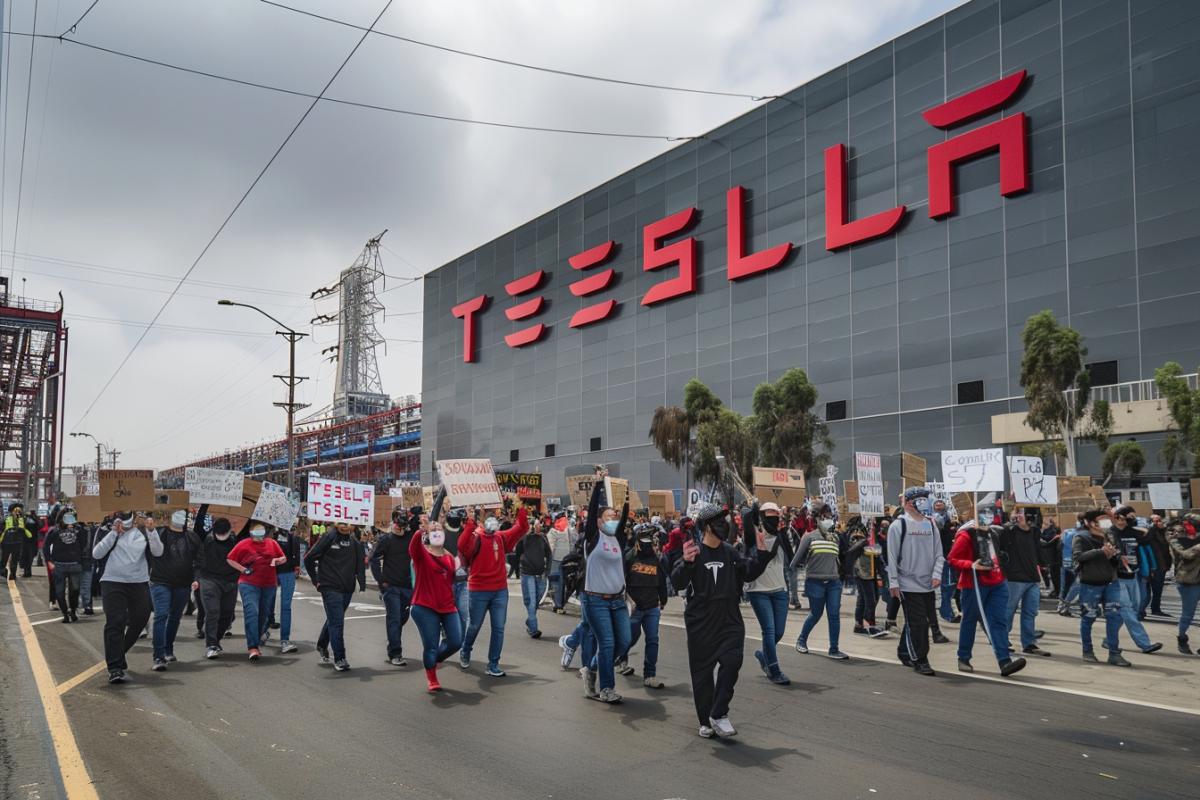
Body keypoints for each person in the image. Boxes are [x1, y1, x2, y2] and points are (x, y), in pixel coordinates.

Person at [672, 502, 771, 739]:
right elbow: (677, 583)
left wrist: (763, 554)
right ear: (706, 527)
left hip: (729, 618)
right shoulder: (693, 552)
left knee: (733, 660)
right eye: (717, 521)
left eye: (725, 520)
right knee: (703, 674)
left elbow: (748, 571)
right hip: (701, 621)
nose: (723, 525)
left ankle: (719, 713)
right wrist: (685, 563)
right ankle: (705, 720)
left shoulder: (730, 551)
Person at [949, 506, 1027, 677]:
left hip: (997, 582)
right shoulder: (966, 535)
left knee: (998, 621)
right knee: (969, 620)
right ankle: (963, 657)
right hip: (975, 583)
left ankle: (1004, 660)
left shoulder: (994, 533)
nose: (988, 517)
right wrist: (971, 565)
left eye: (991, 514)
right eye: (984, 514)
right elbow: (952, 559)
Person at [457, 505, 529, 677]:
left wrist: (521, 510)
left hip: (499, 591)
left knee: (499, 628)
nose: (492, 522)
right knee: (474, 625)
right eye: (488, 519)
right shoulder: (475, 537)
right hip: (478, 591)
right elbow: (461, 545)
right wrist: (470, 523)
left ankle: (493, 664)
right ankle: (465, 650)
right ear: (482, 522)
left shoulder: (501, 537)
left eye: (494, 519)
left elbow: (521, 528)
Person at [92, 511, 164, 683]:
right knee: (115, 621)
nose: (123, 522)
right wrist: (113, 533)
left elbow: (158, 552)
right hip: (112, 581)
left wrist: (152, 532)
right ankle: (115, 668)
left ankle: (118, 652)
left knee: (141, 618)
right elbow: (96, 553)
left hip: (138, 582)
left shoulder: (143, 530)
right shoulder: (107, 530)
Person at [886, 487, 944, 676]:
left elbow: (939, 555)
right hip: (907, 583)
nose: (926, 501)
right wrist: (893, 582)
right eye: (921, 498)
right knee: (919, 622)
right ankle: (921, 660)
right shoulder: (898, 526)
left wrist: (937, 574)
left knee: (917, 621)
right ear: (910, 502)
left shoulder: (931, 525)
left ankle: (904, 651)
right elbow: (892, 557)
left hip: (927, 584)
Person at [409, 488, 463, 691]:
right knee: (430, 645)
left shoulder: (449, 556)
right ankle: (431, 676)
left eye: (439, 531)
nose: (438, 534)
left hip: (448, 607)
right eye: (434, 532)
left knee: (456, 641)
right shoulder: (422, 554)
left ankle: (433, 660)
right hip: (424, 607)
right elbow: (413, 548)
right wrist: (421, 530)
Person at [304, 521, 367, 672]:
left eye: (348, 522)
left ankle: (321, 644)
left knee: (334, 619)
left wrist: (362, 584)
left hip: (347, 588)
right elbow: (308, 558)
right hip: (329, 587)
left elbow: (360, 566)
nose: (345, 525)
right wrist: (316, 580)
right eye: (341, 522)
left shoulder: (355, 543)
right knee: (337, 622)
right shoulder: (329, 536)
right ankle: (340, 658)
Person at [791, 502, 850, 661]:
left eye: (830, 516)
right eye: (824, 516)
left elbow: (842, 558)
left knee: (834, 615)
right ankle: (801, 640)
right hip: (815, 582)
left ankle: (834, 649)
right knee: (816, 614)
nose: (828, 519)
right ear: (817, 519)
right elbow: (795, 562)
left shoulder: (836, 538)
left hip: (834, 583)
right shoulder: (809, 537)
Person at [745, 502, 795, 684]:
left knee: (779, 632)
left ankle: (764, 656)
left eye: (776, 515)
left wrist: (783, 529)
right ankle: (774, 670)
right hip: (759, 591)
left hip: (779, 590)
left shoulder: (782, 535)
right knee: (769, 630)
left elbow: (791, 557)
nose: (774, 518)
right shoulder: (754, 535)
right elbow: (746, 524)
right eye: (770, 515)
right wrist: (751, 511)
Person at [147, 510, 201, 669]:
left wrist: (196, 579)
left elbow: (199, 560)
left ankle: (167, 648)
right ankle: (158, 657)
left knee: (175, 617)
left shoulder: (192, 537)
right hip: (160, 581)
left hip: (183, 584)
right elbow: (153, 550)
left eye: (182, 514)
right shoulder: (160, 532)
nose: (180, 517)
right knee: (161, 615)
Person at [1108, 506, 1163, 656]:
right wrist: (1119, 555)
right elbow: (1114, 545)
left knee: (1133, 608)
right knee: (1128, 611)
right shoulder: (1111, 533)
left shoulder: (1132, 531)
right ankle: (1145, 644)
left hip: (1133, 576)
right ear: (1119, 517)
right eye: (1129, 516)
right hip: (1117, 579)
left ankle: (1109, 639)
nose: (1132, 519)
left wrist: (1152, 527)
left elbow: (1146, 540)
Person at [227, 523, 286, 661]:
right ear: (251, 534)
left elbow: (283, 558)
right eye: (256, 535)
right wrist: (243, 569)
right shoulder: (244, 544)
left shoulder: (272, 543)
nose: (259, 538)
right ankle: (253, 647)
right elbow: (230, 558)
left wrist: (277, 561)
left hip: (269, 584)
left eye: (261, 535)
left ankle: (257, 638)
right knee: (252, 612)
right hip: (248, 584)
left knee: (263, 615)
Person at [622, 521, 669, 688]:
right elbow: (622, 581)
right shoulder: (629, 557)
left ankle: (650, 675)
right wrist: (626, 600)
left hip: (652, 607)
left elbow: (662, 581)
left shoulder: (657, 559)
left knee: (653, 640)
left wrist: (662, 600)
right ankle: (622, 658)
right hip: (634, 607)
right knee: (629, 638)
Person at [999, 509, 1051, 658]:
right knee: (1008, 611)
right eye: (1020, 513)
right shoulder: (1009, 531)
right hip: (1014, 579)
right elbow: (1001, 547)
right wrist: (1012, 522)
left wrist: (1044, 564)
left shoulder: (1034, 531)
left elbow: (1038, 550)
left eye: (1027, 514)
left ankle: (1029, 643)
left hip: (1033, 578)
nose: (1025, 516)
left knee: (1030, 612)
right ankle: (1002, 641)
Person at [370, 510, 416, 666]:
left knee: (402, 618)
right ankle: (395, 653)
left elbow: (421, 516)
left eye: (404, 525)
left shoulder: (411, 538)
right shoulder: (386, 540)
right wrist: (381, 580)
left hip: (408, 586)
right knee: (395, 619)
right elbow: (373, 559)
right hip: (391, 587)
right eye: (399, 524)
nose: (401, 528)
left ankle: (392, 639)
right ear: (394, 523)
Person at [193, 512, 240, 660]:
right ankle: (211, 644)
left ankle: (216, 639)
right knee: (213, 612)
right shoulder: (205, 538)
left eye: (223, 534)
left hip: (230, 581)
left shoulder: (235, 539)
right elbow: (198, 524)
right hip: (209, 579)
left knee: (227, 614)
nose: (221, 536)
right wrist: (205, 505)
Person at [846, 518, 888, 638]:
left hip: (870, 570)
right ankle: (869, 625)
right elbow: (856, 548)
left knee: (865, 599)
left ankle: (859, 625)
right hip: (863, 571)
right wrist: (871, 544)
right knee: (870, 599)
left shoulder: (871, 533)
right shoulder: (857, 532)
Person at [43, 510, 85, 623]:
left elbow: (84, 544)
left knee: (74, 590)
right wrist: (49, 561)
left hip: (75, 564)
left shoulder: (79, 530)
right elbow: (46, 546)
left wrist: (80, 560)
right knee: (59, 591)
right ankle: (65, 613)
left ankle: (72, 610)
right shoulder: (54, 530)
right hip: (59, 565)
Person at [515, 515, 552, 638]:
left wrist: (547, 571)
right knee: (531, 601)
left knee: (537, 601)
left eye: (538, 524)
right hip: (528, 574)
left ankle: (530, 620)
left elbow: (549, 554)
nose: (538, 526)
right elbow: (517, 551)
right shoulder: (524, 538)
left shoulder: (543, 538)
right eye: (535, 524)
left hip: (540, 575)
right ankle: (534, 629)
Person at [1168, 520, 1200, 655]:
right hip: (1188, 581)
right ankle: (1182, 638)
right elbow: (1187, 555)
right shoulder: (1175, 542)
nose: (1178, 533)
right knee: (1188, 614)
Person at [270, 524, 301, 653]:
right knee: (266, 603)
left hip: (287, 572)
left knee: (286, 606)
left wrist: (297, 566)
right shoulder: (270, 533)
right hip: (270, 571)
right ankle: (262, 631)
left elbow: (296, 550)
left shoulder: (291, 535)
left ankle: (285, 640)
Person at [932, 499, 962, 624]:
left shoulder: (953, 519)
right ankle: (946, 613)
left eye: (941, 505)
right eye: (936, 505)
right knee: (947, 586)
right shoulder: (934, 521)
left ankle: (952, 610)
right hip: (944, 558)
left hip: (954, 557)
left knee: (953, 586)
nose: (939, 507)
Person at [1143, 515, 1172, 620]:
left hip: (1162, 565)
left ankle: (1156, 609)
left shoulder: (1162, 533)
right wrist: (1154, 526)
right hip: (1153, 565)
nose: (1160, 523)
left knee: (1158, 589)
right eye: (1157, 521)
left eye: (1160, 520)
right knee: (1147, 591)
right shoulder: (1149, 533)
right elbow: (1147, 539)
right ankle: (1142, 610)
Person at [547, 512, 573, 613]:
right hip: (567, 560)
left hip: (556, 561)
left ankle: (557, 605)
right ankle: (561, 604)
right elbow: (572, 544)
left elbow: (551, 547)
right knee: (565, 583)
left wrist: (548, 559)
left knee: (555, 582)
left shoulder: (553, 532)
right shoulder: (569, 531)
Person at [2, 502, 33, 580]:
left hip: (17, 542)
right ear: (11, 511)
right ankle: (4, 572)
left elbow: (34, 525)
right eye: (15, 510)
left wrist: (31, 516)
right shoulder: (6, 518)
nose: (17, 512)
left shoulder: (24, 519)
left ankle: (12, 575)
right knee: (4, 560)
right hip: (7, 542)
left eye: (19, 510)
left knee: (14, 560)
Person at [1040, 516, 1063, 599]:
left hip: (1054, 558)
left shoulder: (1052, 531)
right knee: (1054, 576)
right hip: (1052, 558)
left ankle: (1057, 592)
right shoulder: (1050, 530)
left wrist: (1039, 536)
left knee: (1055, 576)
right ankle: (1056, 591)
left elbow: (1047, 542)